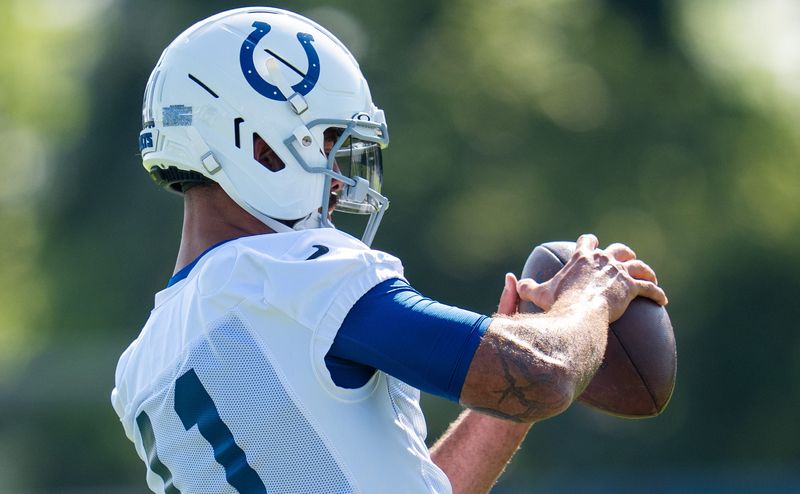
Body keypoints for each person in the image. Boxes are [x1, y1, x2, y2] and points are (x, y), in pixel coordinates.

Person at [111, 7, 668, 494]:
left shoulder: (142, 366)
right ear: (259, 148)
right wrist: (589, 298)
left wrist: (512, 397)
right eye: (327, 144)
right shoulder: (292, 274)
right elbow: (544, 374)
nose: (337, 179)